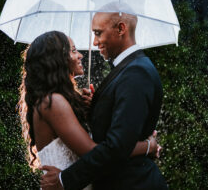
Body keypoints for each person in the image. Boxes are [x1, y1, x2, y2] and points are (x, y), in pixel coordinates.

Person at [18, 31, 161, 189]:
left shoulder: (58, 100)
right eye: (73, 51)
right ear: (55, 59)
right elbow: (92, 152)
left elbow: (100, 142)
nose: (80, 55)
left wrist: (95, 111)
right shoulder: (52, 102)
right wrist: (147, 146)